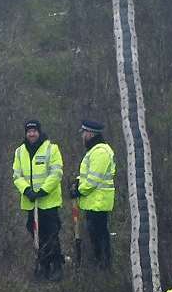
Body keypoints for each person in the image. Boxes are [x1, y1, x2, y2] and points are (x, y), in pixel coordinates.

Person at [12, 119, 64, 280]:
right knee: (36, 234)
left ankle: (56, 266)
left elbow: (56, 173)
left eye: (34, 131)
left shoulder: (51, 149)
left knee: (52, 234)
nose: (32, 134)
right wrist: (26, 189)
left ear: (39, 132)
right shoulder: (20, 152)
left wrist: (42, 191)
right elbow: (17, 175)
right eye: (29, 131)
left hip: (48, 202)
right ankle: (43, 264)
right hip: (30, 203)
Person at [69, 119, 116, 269]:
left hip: (98, 202)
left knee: (99, 236)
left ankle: (103, 266)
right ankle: (100, 264)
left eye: (84, 133)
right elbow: (86, 176)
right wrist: (77, 182)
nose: (82, 136)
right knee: (96, 235)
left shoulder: (100, 152)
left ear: (90, 134)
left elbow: (93, 180)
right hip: (94, 202)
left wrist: (78, 191)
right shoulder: (95, 151)